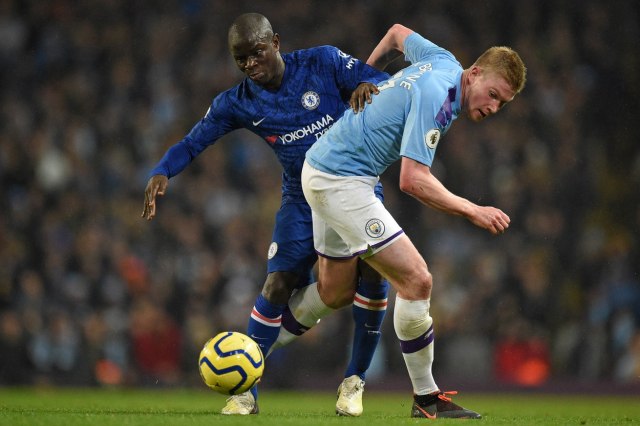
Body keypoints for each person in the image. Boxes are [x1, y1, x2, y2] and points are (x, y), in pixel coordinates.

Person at [141, 13, 390, 416]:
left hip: (353, 187)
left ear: (275, 42)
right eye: (240, 59)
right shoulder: (238, 101)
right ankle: (246, 393)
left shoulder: (323, 62)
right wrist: (162, 171)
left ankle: (353, 381)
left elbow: (382, 81)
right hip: (301, 199)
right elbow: (193, 142)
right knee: (277, 284)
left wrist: (367, 84)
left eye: (256, 53)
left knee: (376, 273)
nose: (250, 64)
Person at [292, 23, 526, 419]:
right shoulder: (439, 95)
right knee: (417, 280)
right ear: (474, 74)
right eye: (493, 95)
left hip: (328, 166)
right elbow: (412, 180)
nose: (492, 108)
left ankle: (255, 347)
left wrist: (363, 77)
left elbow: (398, 34)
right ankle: (426, 397)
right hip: (341, 179)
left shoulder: (443, 60)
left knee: (333, 292)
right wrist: (474, 210)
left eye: (501, 104)